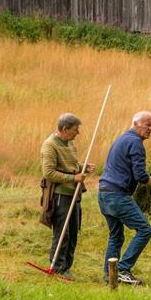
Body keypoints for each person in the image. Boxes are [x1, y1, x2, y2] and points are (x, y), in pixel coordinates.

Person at [99, 111, 151, 286]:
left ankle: (110, 274)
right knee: (145, 230)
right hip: (118, 196)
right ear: (136, 124)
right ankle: (123, 269)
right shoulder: (135, 143)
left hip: (104, 193)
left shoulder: (121, 139)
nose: (150, 128)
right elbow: (141, 175)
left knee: (116, 236)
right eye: (147, 125)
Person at [41, 113, 94, 278]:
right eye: (75, 130)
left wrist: (82, 167)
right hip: (60, 195)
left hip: (74, 194)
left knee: (72, 232)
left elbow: (71, 165)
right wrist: (73, 177)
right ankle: (57, 267)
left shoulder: (70, 143)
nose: (77, 133)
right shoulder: (50, 146)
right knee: (62, 233)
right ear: (64, 129)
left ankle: (67, 267)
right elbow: (48, 172)